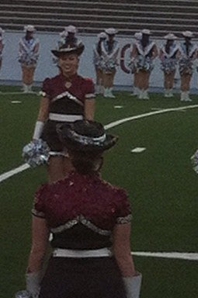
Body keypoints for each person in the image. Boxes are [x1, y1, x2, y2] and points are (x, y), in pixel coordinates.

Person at [22, 120, 141, 298]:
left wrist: (31, 291)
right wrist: (133, 295)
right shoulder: (116, 197)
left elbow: (38, 250)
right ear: (100, 158)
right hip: (104, 281)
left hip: (59, 279)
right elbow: (123, 254)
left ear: (68, 154)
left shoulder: (47, 194)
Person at [31, 42, 95, 183]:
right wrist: (35, 139)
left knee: (71, 177)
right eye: (64, 59)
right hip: (52, 132)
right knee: (55, 178)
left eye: (71, 59)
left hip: (74, 133)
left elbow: (89, 117)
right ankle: (52, 204)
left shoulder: (86, 84)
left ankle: (71, 205)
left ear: (78, 61)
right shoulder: (50, 83)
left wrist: (88, 140)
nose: (67, 62)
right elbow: (43, 113)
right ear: (58, 62)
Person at [130, 29, 158, 100]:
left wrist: (136, 59)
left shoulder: (137, 43)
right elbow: (156, 53)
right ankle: (145, 93)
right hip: (147, 61)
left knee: (140, 77)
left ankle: (140, 93)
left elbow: (134, 53)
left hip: (140, 61)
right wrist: (151, 58)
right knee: (146, 78)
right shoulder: (152, 43)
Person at [19, 25, 40, 93]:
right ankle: (25, 88)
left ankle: (30, 87)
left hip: (32, 58)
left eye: (32, 32)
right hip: (24, 58)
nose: (31, 34)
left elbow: (36, 49)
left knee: (31, 73)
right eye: (29, 32)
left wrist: (33, 56)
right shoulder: (22, 40)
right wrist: (23, 56)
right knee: (25, 72)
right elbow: (20, 49)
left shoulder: (36, 40)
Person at [101, 28, 120, 98]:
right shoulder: (116, 43)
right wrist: (111, 59)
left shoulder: (103, 43)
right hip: (111, 61)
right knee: (110, 77)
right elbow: (116, 52)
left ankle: (107, 91)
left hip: (105, 61)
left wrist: (107, 58)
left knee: (107, 76)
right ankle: (108, 91)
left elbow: (103, 52)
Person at [159, 33, 180, 98]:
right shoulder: (176, 47)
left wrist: (164, 61)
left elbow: (160, 55)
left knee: (166, 78)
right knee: (171, 78)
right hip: (172, 62)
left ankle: (166, 91)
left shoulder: (163, 46)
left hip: (166, 63)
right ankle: (169, 92)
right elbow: (178, 56)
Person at [178, 31, 197, 102]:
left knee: (187, 80)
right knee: (183, 80)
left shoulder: (193, 46)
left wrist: (191, 59)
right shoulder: (180, 46)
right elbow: (178, 55)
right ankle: (183, 95)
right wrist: (182, 59)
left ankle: (186, 95)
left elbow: (195, 54)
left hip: (189, 64)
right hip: (183, 64)